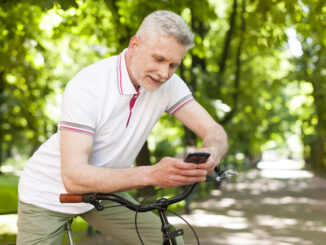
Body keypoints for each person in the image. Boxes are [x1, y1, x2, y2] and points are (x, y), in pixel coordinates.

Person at [17, 10, 228, 245]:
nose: (164, 73)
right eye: (158, 60)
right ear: (134, 45)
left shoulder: (169, 85)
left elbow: (214, 131)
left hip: (106, 190)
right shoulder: (88, 85)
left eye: (173, 65)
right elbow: (74, 178)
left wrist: (212, 154)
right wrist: (153, 173)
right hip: (48, 194)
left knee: (169, 241)